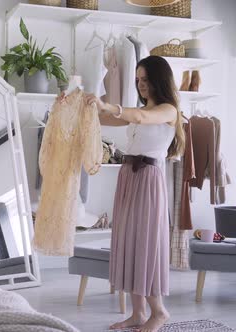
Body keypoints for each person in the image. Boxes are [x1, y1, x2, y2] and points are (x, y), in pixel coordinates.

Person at [86, 55, 185, 332]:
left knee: (145, 243)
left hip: (149, 180)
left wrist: (108, 104)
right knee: (128, 241)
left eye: (145, 79)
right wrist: (78, 105)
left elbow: (140, 116)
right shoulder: (138, 112)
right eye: (138, 80)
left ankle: (159, 311)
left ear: (159, 79)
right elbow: (104, 118)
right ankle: (138, 312)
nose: (141, 84)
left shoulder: (168, 110)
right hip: (129, 178)